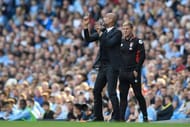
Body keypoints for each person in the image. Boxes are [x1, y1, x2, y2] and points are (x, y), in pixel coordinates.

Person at [83, 13, 122, 121]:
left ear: (112, 20)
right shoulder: (103, 32)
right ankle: (98, 116)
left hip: (112, 66)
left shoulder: (117, 33)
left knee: (111, 92)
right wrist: (86, 27)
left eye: (106, 17)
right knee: (96, 90)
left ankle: (116, 117)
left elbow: (109, 44)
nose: (104, 19)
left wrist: (100, 34)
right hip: (103, 66)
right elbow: (88, 39)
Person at [119, 21, 148, 122]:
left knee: (138, 95)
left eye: (127, 29)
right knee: (123, 96)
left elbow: (142, 56)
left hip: (133, 72)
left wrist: (137, 70)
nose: (125, 30)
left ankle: (145, 117)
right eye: (124, 29)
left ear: (131, 29)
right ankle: (121, 119)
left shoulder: (138, 41)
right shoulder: (120, 42)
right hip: (123, 73)